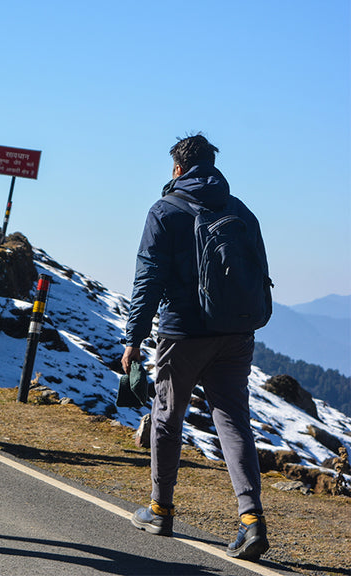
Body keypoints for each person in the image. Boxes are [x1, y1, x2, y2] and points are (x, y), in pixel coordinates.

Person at [122, 134, 270, 561]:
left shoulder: (164, 211)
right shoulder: (240, 210)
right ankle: (250, 519)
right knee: (233, 421)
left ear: (177, 169)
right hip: (236, 333)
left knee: (168, 415)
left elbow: (147, 279)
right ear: (213, 165)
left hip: (183, 333)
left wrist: (133, 338)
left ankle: (160, 509)